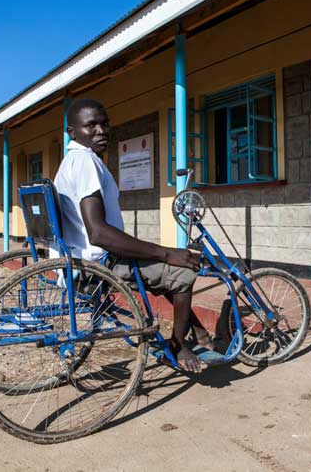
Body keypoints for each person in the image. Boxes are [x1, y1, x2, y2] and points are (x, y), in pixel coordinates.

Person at [53, 98, 212, 373]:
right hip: (99, 263)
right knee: (182, 271)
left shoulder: (72, 161)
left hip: (78, 261)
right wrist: (166, 252)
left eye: (104, 124)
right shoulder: (85, 162)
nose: (101, 131)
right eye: (91, 125)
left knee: (163, 275)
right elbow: (99, 233)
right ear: (72, 131)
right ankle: (177, 346)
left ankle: (199, 333)